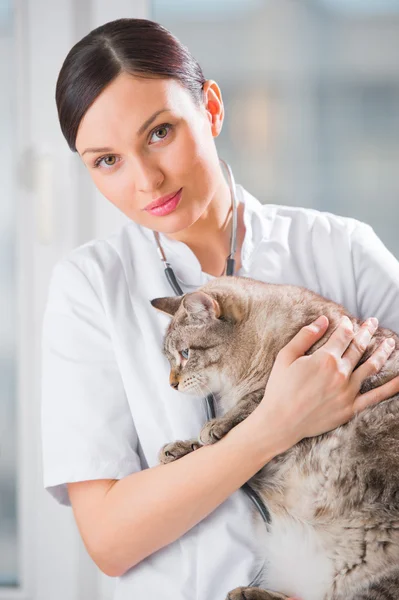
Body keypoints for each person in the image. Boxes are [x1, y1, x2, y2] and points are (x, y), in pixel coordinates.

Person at [41, 17, 399, 600]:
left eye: (159, 132)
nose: (146, 179)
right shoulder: (90, 287)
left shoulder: (342, 250)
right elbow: (109, 539)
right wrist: (274, 425)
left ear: (210, 108)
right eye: (107, 160)